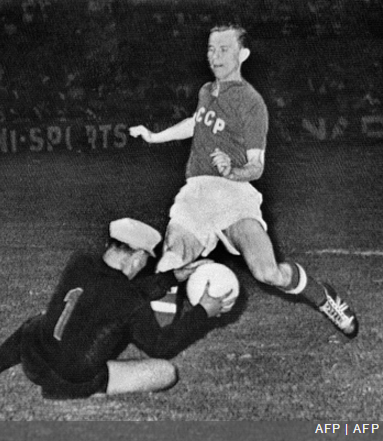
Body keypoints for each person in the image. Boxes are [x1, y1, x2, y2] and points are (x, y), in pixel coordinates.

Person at [129, 23, 358, 339]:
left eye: (224, 49)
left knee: (268, 273)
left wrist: (231, 172)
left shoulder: (252, 103)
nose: (215, 56)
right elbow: (196, 123)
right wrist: (155, 137)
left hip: (235, 194)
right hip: (197, 191)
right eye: (211, 49)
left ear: (243, 54)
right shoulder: (207, 91)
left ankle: (323, 296)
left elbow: (256, 167)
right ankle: (161, 341)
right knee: (171, 262)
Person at [0, 218, 232, 399]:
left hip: (34, 359)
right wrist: (203, 312)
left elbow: (113, 293)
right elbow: (161, 345)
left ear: (110, 245)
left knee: (41, 320)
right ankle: (88, 389)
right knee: (165, 372)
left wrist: (173, 277)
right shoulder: (128, 300)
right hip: (67, 381)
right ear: (138, 257)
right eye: (144, 259)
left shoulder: (81, 262)